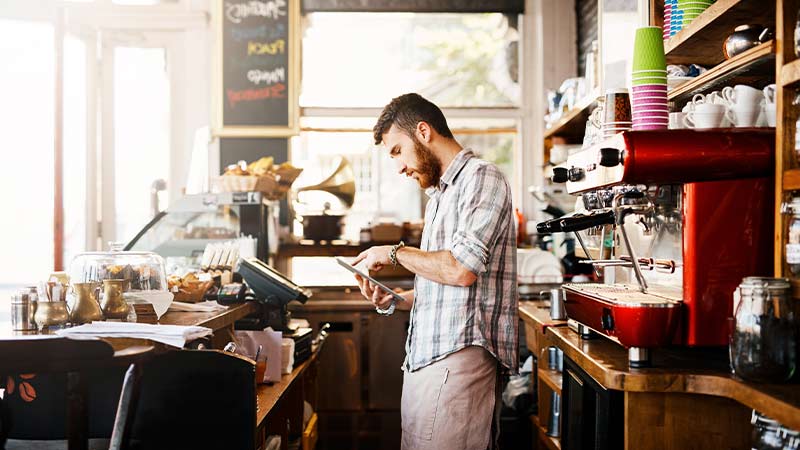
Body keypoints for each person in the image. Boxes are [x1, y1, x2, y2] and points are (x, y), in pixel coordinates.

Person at [351, 93, 518, 450]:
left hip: (457, 362)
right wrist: (398, 299)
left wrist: (395, 252)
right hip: (427, 362)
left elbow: (461, 270)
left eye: (397, 151)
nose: (398, 167)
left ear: (423, 132)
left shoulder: (481, 178)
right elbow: (446, 288)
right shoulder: (441, 195)